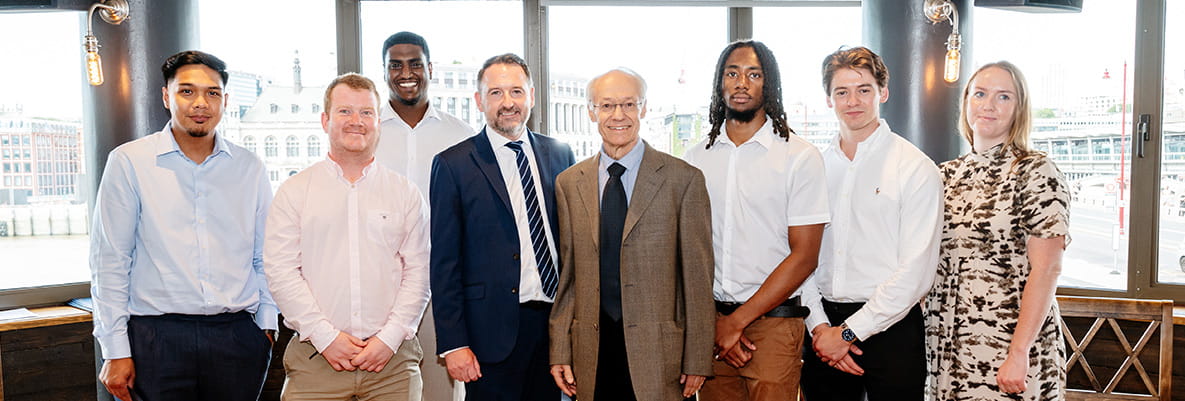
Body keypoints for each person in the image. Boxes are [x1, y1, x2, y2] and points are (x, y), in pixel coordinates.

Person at [89, 50, 277, 401]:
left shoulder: (249, 167)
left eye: (212, 93)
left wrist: (265, 327)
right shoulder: (130, 162)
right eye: (187, 91)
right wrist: (115, 349)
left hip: (236, 337)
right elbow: (110, 263)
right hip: (156, 339)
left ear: (225, 100)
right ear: (166, 96)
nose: (200, 103)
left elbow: (265, 255)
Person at [549, 68, 714, 401]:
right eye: (607, 106)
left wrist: (698, 358)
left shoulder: (683, 180)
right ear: (591, 111)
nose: (618, 115)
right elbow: (568, 278)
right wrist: (560, 350)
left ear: (644, 108)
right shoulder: (568, 183)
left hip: (659, 353)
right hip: (590, 351)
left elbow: (697, 279)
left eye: (628, 104)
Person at [265, 73, 430, 400]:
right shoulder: (295, 192)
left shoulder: (405, 193)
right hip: (316, 359)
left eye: (366, 112)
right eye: (345, 111)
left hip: (392, 364)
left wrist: (389, 339)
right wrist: (326, 338)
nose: (357, 121)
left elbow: (420, 272)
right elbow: (281, 272)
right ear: (325, 119)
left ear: (378, 122)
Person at [684, 40, 828, 401]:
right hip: (713, 326)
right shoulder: (695, 158)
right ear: (720, 83)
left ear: (769, 84)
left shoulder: (799, 156)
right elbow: (689, 249)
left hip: (775, 327)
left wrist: (737, 322)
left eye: (754, 74)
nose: (741, 83)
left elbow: (805, 256)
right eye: (732, 73)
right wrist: (719, 324)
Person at [799, 46, 942, 401]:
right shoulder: (812, 167)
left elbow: (916, 271)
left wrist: (848, 334)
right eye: (841, 92)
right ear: (829, 99)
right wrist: (820, 329)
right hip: (821, 327)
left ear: (883, 92)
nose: (853, 101)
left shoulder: (915, 167)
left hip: (891, 330)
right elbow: (800, 255)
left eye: (864, 89)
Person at [430, 53, 575, 401]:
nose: (508, 103)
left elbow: (573, 244)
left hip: (555, 329)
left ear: (532, 97)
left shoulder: (561, 154)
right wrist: (454, 344)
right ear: (479, 101)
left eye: (516, 91)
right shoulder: (453, 165)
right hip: (489, 335)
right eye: (496, 93)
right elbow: (444, 263)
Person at [926, 61, 1069, 400]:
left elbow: (1048, 268)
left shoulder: (1035, 171)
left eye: (1003, 97)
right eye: (980, 94)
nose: (988, 105)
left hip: (1011, 347)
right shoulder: (944, 175)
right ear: (965, 103)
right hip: (947, 346)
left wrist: (1019, 352)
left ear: (1019, 108)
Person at [373, 31, 474, 401]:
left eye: (415, 63)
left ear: (429, 68)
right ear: (384, 72)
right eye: (395, 65)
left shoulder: (461, 134)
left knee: (442, 393)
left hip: (441, 286)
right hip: (378, 287)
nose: (406, 72)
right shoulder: (367, 132)